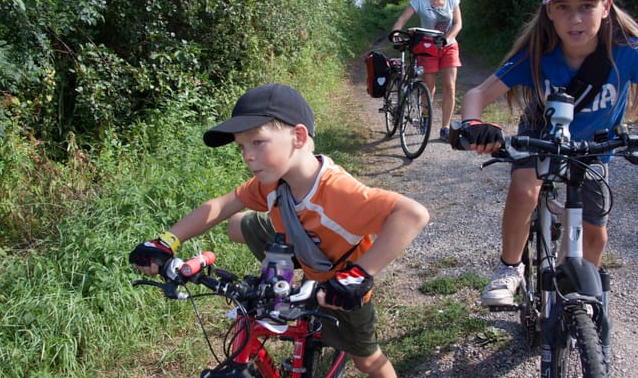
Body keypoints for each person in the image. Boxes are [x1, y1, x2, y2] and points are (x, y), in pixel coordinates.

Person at [129, 83, 430, 377]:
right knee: (236, 222)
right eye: (242, 147)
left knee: (367, 360)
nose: (247, 155)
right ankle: (286, 263)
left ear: (298, 136)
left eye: (257, 142)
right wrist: (167, 241)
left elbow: (412, 214)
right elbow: (222, 205)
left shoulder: (339, 192)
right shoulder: (271, 182)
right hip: (299, 239)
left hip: (337, 281)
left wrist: (360, 274)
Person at [458, 0, 638, 307]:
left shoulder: (631, 52)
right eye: (563, 7)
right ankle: (509, 268)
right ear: (549, 12)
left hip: (596, 146)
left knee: (595, 234)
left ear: (606, 7)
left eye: (587, 5)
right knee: (525, 189)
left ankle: (573, 291)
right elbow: (479, 94)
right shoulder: (537, 53)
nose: (575, 19)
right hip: (541, 134)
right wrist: (474, 124)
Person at [391, 0, 463, 142]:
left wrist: (447, 39)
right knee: (429, 88)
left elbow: (457, 24)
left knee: (450, 86)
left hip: (448, 46)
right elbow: (402, 19)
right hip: (426, 47)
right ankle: (425, 115)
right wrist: (395, 34)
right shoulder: (420, 1)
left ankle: (445, 128)